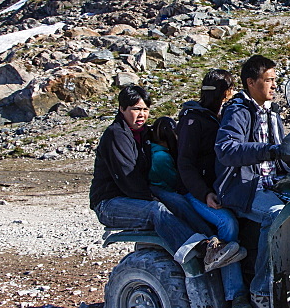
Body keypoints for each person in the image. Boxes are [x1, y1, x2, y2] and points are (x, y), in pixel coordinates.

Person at [89, 85, 234, 266]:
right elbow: (127, 178)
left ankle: (213, 242)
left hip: (136, 192)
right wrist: (153, 197)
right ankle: (200, 249)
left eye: (145, 109)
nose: (141, 114)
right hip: (110, 202)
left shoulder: (143, 134)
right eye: (135, 109)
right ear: (122, 109)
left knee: (178, 200)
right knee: (156, 210)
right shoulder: (116, 135)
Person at [214, 55, 287, 308]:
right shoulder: (238, 110)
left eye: (275, 80)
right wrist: (266, 150)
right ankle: (261, 289)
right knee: (277, 215)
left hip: (272, 184)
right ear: (251, 82)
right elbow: (226, 149)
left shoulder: (271, 112)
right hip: (243, 188)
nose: (274, 85)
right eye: (269, 80)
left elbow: (282, 152)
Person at [175, 69, 252, 308]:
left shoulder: (221, 116)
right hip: (196, 192)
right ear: (223, 93)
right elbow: (184, 164)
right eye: (228, 91)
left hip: (222, 189)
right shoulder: (193, 120)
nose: (230, 96)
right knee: (227, 223)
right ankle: (236, 296)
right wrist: (204, 193)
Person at [150, 116, 246, 277]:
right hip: (176, 194)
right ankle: (214, 253)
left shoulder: (155, 153)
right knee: (223, 220)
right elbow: (175, 181)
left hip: (175, 192)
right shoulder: (162, 158)